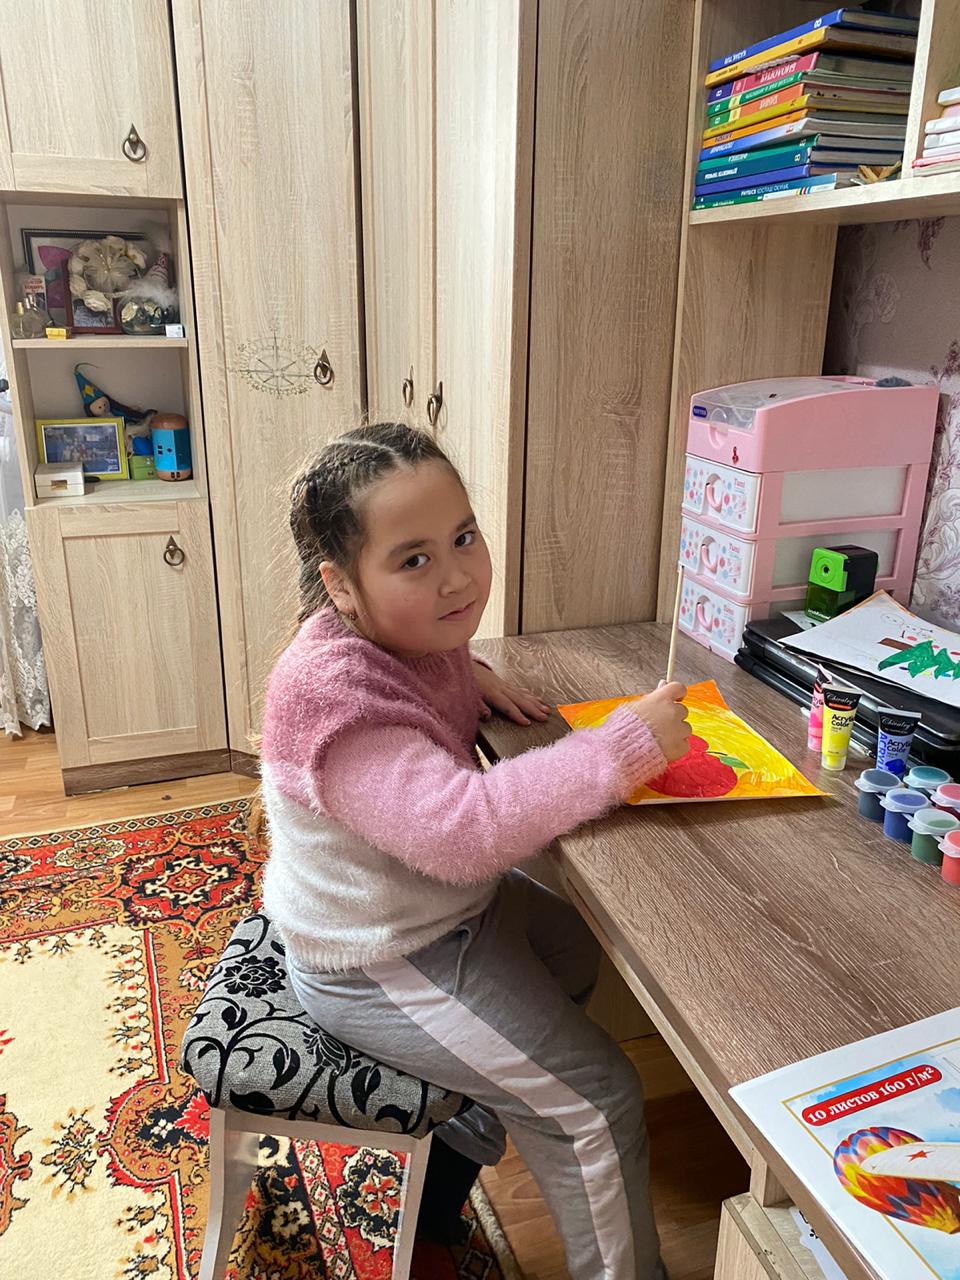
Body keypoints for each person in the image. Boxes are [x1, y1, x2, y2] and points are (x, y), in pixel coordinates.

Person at [260, 422, 690, 1280]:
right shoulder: (336, 702)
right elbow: (467, 833)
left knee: (574, 949)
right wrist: (622, 748)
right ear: (341, 585)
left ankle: (451, 1162)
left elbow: (421, 677)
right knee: (599, 1103)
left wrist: (472, 674)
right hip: (380, 956)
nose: (457, 576)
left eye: (464, 537)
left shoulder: (407, 636)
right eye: (413, 559)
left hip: (433, 915)